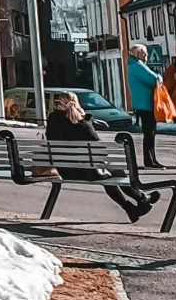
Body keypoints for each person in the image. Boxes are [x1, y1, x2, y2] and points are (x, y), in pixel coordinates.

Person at [45, 91, 155, 222]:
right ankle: (140, 199)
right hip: (86, 171)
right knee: (114, 173)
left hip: (66, 171)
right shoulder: (82, 124)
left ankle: (134, 205)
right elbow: (101, 151)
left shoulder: (52, 119)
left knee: (107, 173)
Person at [125, 42, 164, 168]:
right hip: (145, 104)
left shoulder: (133, 65)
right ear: (137, 53)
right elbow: (154, 79)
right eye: (143, 52)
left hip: (141, 104)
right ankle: (149, 160)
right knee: (149, 133)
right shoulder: (137, 66)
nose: (146, 55)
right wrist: (159, 76)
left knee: (149, 133)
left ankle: (152, 159)